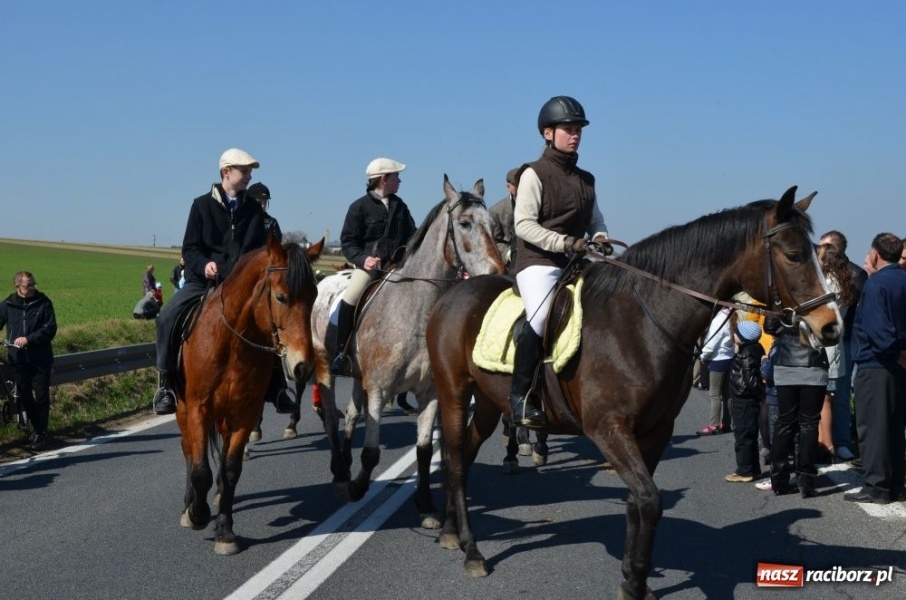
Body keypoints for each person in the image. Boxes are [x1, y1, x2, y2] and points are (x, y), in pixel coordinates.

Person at [509, 96, 610, 428]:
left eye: (578, 129)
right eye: (568, 129)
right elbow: (523, 225)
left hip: (576, 263)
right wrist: (564, 242)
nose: (575, 134)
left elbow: (596, 222)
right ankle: (521, 398)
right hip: (539, 261)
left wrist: (600, 239)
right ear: (547, 133)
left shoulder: (587, 180)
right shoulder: (533, 174)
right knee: (538, 320)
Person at [152, 148, 268, 415]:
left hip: (241, 285)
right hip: (202, 283)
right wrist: (204, 265)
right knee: (167, 318)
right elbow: (190, 249)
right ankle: (166, 384)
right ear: (227, 172)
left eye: (251, 171)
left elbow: (259, 251)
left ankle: (275, 385)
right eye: (245, 171)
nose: (250, 176)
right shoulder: (201, 205)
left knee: (272, 320)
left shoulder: (253, 210)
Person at [330, 157, 417, 377]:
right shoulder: (358, 207)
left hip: (397, 267)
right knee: (351, 297)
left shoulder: (400, 206)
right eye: (397, 176)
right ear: (384, 179)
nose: (400, 181)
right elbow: (348, 242)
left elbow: (413, 236)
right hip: (369, 269)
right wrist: (363, 259)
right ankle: (341, 353)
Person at [843, 232, 906, 504]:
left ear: (875, 254)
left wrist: (894, 353)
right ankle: (896, 485)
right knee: (894, 427)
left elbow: (879, 331)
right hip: (900, 364)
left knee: (873, 428)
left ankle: (876, 487)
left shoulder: (875, 284)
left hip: (877, 363)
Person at [765, 311, 830, 498]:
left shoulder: (782, 299)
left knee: (784, 422)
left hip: (786, 362)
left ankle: (779, 480)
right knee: (809, 423)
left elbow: (769, 326)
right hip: (813, 363)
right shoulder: (817, 297)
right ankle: (806, 479)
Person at [818, 230, 868, 461]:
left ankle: (840, 441)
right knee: (822, 394)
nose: (819, 251)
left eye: (824, 247)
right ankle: (824, 441)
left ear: (835, 250)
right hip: (820, 342)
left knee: (837, 394)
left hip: (842, 341)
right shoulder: (817, 274)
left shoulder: (856, 275)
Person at [0, 271, 57, 450]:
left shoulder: (43, 303)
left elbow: (50, 328)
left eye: (33, 284)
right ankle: (38, 429)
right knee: (24, 396)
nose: (32, 288)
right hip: (18, 360)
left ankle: (41, 433)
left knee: (41, 395)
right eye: (27, 285)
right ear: (17, 286)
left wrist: (29, 339)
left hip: (40, 358)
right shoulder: (7, 305)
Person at [725, 321, 766, 483]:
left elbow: (750, 380)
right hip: (749, 400)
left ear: (742, 337)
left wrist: (760, 396)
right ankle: (754, 469)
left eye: (736, 332)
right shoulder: (756, 349)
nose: (733, 335)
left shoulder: (745, 354)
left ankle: (744, 471)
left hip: (743, 399)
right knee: (750, 435)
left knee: (742, 435)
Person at [697, 308, 734, 435]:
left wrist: (704, 356)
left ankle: (714, 425)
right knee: (727, 394)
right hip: (730, 357)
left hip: (718, 359)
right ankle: (727, 422)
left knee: (714, 394)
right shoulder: (733, 316)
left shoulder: (719, 319)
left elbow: (712, 340)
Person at [488, 167, 520, 272]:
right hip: (509, 267)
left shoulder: (540, 206)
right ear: (508, 187)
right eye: (518, 185)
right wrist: (508, 253)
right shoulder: (495, 211)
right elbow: (495, 241)